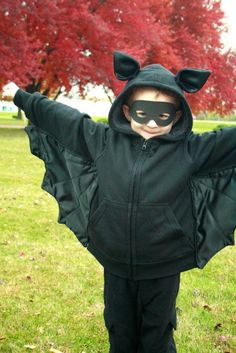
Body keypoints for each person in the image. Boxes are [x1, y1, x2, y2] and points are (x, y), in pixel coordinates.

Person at [2, 51, 236, 353]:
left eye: (162, 115)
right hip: (114, 257)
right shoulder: (103, 141)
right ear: (127, 110)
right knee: (119, 327)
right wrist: (22, 96)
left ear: (177, 115)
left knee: (157, 333)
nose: (151, 123)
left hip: (162, 262)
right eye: (143, 112)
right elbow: (64, 120)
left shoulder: (191, 151)